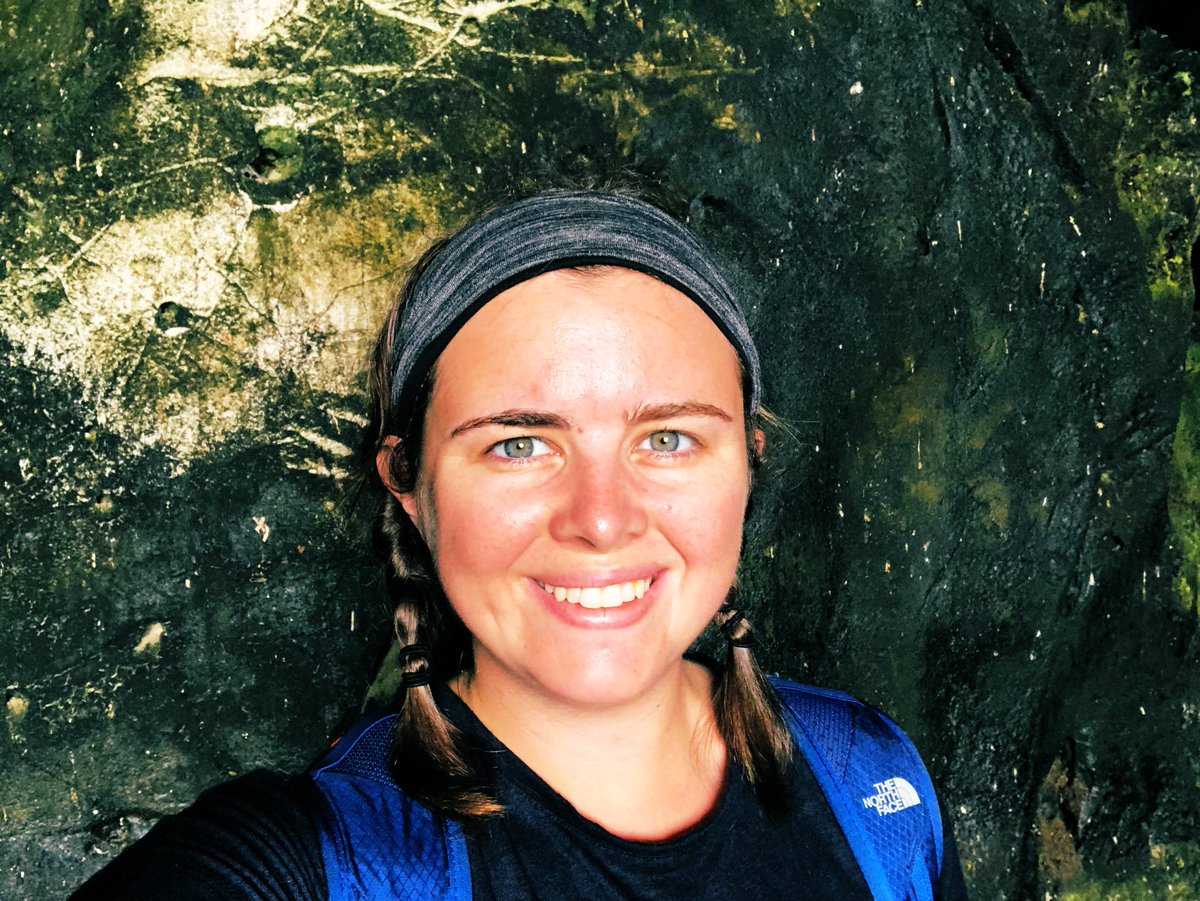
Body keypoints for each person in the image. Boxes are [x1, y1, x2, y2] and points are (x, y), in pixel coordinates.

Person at [74, 188, 967, 899]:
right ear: (409, 485)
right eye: (519, 444)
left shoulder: (871, 781)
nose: (602, 518)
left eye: (668, 439)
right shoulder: (329, 861)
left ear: (748, 462)